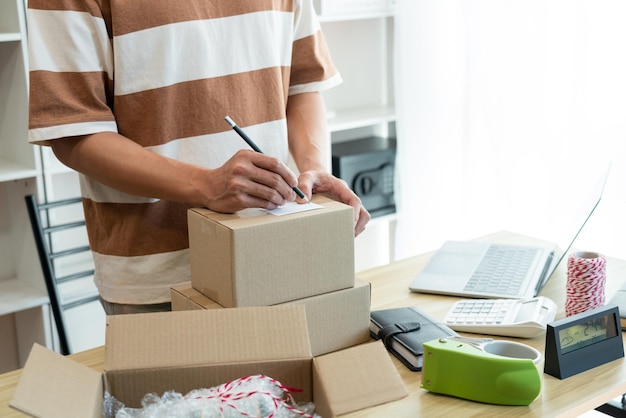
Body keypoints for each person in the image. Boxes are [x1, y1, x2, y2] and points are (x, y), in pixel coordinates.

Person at [27, 1, 370, 315]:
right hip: (164, 277)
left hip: (280, 251)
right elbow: (72, 133)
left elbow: (303, 84)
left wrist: (314, 167)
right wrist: (207, 185)